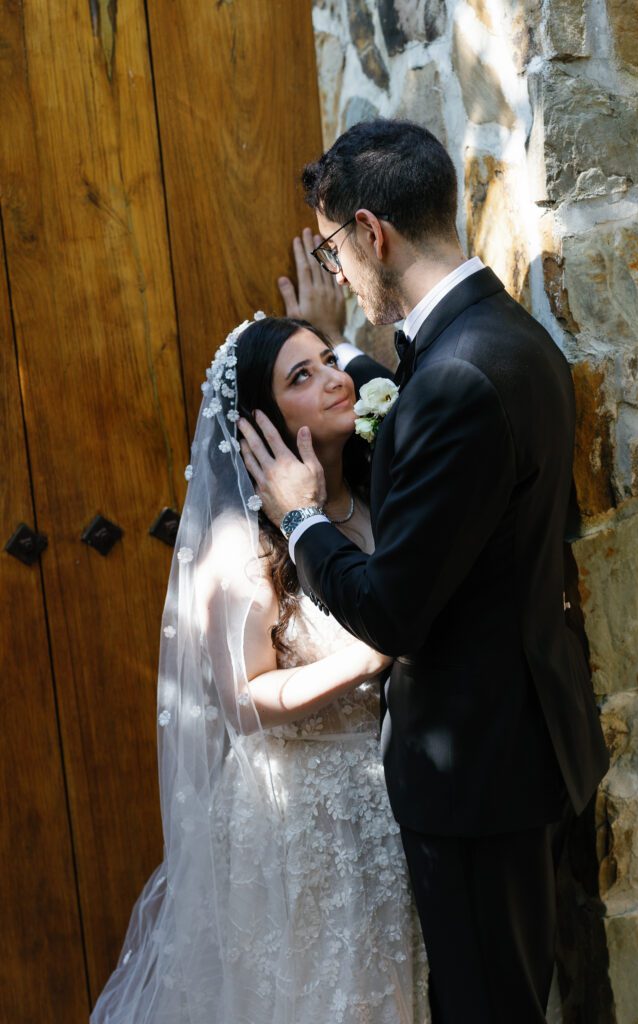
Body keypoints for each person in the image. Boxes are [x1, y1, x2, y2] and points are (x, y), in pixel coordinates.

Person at [239, 118, 610, 1024]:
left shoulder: (453, 381)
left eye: (334, 248)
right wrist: (345, 355)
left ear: (373, 234)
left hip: (475, 782)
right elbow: (433, 412)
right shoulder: (512, 339)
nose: (337, 271)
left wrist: (296, 519)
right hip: (526, 751)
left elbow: (393, 612)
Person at [90, 314, 429, 1023]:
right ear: (260, 423)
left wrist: (338, 331)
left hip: (391, 808)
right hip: (301, 823)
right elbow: (242, 698)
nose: (336, 379)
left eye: (329, 360)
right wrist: (371, 655)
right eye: (300, 377)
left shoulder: (372, 503)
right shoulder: (240, 546)